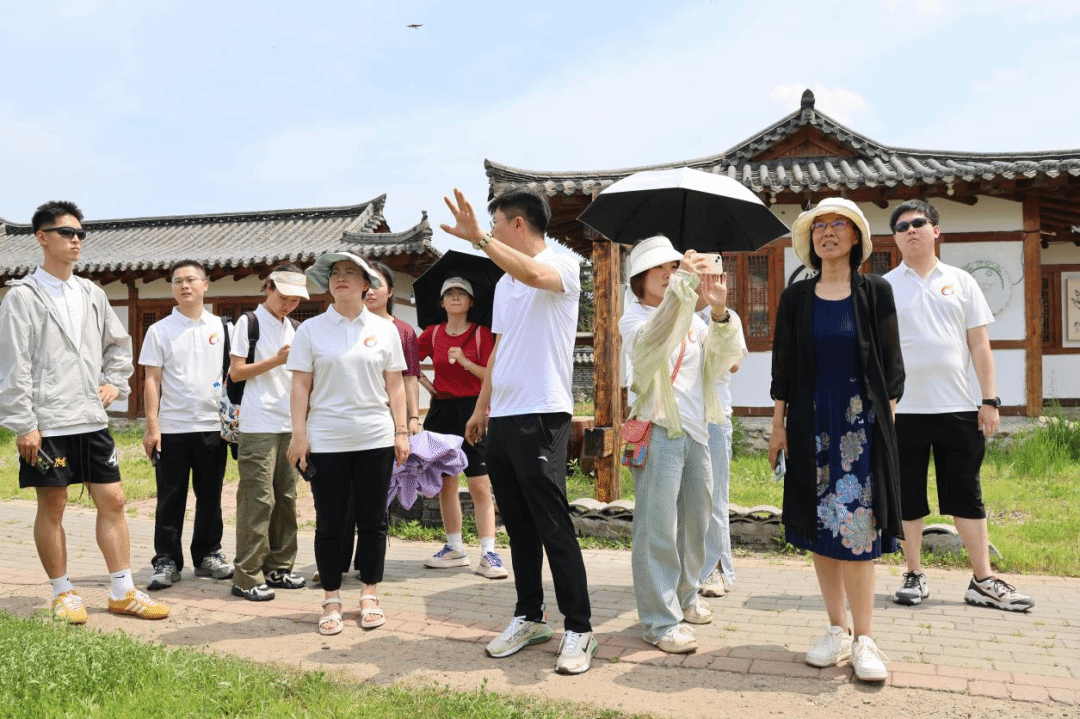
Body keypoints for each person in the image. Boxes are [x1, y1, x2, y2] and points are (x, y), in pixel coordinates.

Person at [441, 187, 597, 675]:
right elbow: (500, 349)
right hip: (503, 415)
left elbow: (535, 274)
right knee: (519, 524)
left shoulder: (563, 264)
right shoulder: (506, 285)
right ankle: (530, 615)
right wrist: (481, 407)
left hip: (543, 411)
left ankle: (580, 628)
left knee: (552, 522)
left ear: (517, 225)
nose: (490, 231)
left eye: (495, 224)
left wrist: (479, 238)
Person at [0, 200, 168, 622]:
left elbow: (117, 343)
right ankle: (63, 592)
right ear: (42, 237)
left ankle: (123, 590)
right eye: (66, 233)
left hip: (91, 418)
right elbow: (14, 364)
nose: (76, 240)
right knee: (52, 504)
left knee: (113, 498)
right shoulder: (22, 296)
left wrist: (115, 381)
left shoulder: (91, 292)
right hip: (48, 420)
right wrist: (24, 424)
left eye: (80, 234)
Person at [769, 197, 905, 682]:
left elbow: (891, 370)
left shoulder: (875, 292)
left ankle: (866, 638)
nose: (827, 232)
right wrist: (779, 425)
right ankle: (836, 628)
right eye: (819, 226)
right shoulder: (796, 298)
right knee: (820, 528)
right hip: (810, 427)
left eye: (838, 225)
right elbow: (782, 369)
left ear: (855, 238)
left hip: (861, 428)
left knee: (860, 530)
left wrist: (881, 431)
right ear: (811, 240)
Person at [883, 199, 1033, 612]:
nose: (911, 230)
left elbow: (980, 344)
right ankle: (913, 574)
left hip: (958, 408)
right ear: (895, 238)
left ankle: (982, 580)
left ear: (936, 231)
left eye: (918, 223)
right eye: (902, 226)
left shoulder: (962, 281)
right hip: (904, 410)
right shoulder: (884, 286)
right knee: (908, 497)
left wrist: (989, 400)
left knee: (967, 494)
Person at [620, 237, 746, 653]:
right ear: (639, 278)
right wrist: (684, 292)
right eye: (659, 268)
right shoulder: (634, 318)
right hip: (658, 429)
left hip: (697, 431)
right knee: (657, 527)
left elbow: (726, 361)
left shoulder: (694, 321)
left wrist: (719, 310)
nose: (668, 274)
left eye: (673, 267)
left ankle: (685, 596)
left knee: (698, 521)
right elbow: (651, 345)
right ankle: (658, 620)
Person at [286, 252, 410, 635]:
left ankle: (369, 594)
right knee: (330, 523)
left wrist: (401, 431)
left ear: (365, 285)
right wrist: (299, 434)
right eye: (335, 273)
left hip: (374, 437)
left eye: (350, 273)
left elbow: (395, 385)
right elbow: (300, 385)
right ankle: (331, 597)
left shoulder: (385, 329)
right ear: (328, 284)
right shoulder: (311, 330)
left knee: (374, 520)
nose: (341, 278)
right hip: (327, 438)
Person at [140, 259, 233, 590]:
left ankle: (209, 554)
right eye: (177, 281)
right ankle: (166, 559)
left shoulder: (224, 329)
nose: (184, 285)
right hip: (173, 428)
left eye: (191, 279)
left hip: (212, 426)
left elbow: (235, 375)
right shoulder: (160, 330)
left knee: (210, 495)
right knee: (170, 497)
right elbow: (152, 380)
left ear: (205, 285)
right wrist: (152, 427)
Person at [228, 265, 309, 601]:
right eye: (283, 297)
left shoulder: (297, 328)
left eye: (294, 300)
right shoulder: (248, 323)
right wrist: (276, 361)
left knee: (286, 499)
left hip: (289, 424)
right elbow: (236, 373)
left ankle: (280, 568)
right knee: (258, 500)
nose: (288, 305)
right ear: (268, 288)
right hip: (258, 422)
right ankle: (246, 576)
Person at [416, 277, 506, 579]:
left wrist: (466, 362)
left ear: (470, 302)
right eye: (449, 294)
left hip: (474, 409)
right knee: (446, 483)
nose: (455, 298)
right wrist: (429, 387)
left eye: (461, 294)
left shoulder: (481, 334)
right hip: (441, 410)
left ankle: (489, 553)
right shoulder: (432, 333)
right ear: (442, 303)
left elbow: (492, 375)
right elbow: (407, 363)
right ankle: (454, 548)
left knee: (480, 484)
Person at [338, 259, 422, 578]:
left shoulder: (401, 331)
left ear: (390, 292)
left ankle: (368, 562)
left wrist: (411, 418)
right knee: (342, 495)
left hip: (386, 422)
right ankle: (339, 560)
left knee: (377, 496)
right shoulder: (343, 325)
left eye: (378, 284)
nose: (371, 291)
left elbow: (409, 377)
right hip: (346, 421)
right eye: (367, 284)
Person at [696, 305, 745, 599]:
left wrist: (715, 318)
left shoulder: (727, 316)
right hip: (679, 416)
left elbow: (734, 362)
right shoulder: (677, 311)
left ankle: (714, 567)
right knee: (682, 498)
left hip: (714, 416)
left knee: (714, 495)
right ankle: (688, 569)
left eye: (710, 273)